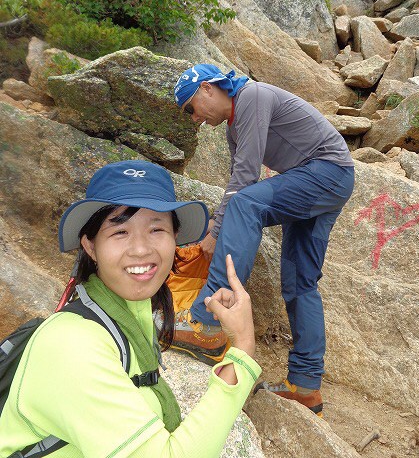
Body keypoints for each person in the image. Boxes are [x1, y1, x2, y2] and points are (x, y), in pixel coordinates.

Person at [0, 160, 260, 458]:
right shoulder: (72, 344)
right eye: (120, 232)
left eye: (156, 229)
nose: (140, 249)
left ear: (175, 239)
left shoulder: (127, 320)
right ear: (90, 246)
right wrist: (242, 349)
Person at [173, 64, 355, 416]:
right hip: (330, 179)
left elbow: (244, 179)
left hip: (326, 171)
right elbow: (237, 175)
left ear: (209, 88)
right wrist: (218, 224)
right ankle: (305, 386)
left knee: (244, 204)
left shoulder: (252, 96)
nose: (193, 118)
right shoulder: (234, 127)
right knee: (300, 282)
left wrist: (214, 233)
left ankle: (206, 322)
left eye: (190, 107)